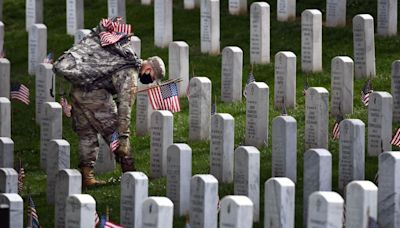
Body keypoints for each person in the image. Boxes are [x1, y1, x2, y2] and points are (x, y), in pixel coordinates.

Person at [60, 18, 166, 187]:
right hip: (95, 96)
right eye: (152, 77)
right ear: (149, 69)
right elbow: (125, 108)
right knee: (114, 131)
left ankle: (87, 176)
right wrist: (123, 137)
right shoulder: (130, 72)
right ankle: (129, 171)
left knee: (87, 134)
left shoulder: (124, 59)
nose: (149, 80)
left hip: (79, 89)